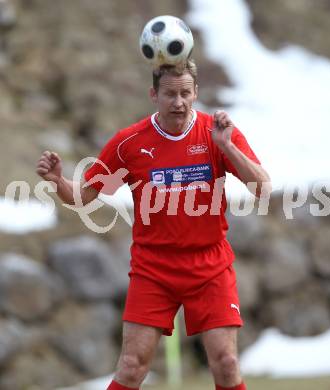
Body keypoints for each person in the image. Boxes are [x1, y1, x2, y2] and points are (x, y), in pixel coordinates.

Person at [36, 59, 271, 390]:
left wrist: (227, 147)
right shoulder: (129, 142)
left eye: (186, 93)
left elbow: (263, 188)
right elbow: (83, 198)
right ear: (153, 95)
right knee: (132, 366)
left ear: (196, 93)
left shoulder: (215, 133)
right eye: (170, 94)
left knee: (227, 364)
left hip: (210, 264)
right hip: (154, 267)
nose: (179, 102)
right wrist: (58, 180)